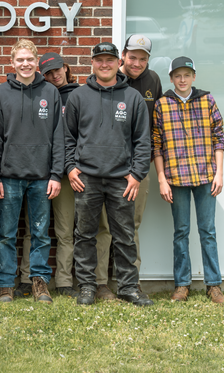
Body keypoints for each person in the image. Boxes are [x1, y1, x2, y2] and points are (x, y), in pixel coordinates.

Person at [65, 42, 153, 306]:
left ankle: (128, 287)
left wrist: (137, 174)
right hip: (86, 179)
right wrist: (70, 168)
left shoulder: (132, 97)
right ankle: (87, 287)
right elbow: (67, 137)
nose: (105, 64)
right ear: (92, 63)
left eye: (110, 60)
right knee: (85, 235)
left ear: (119, 62)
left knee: (124, 235)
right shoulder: (78, 96)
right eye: (99, 60)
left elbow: (142, 140)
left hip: (121, 179)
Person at [0, 40, 64, 304]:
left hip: (42, 176)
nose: (25, 64)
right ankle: (6, 283)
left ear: (36, 61)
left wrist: (56, 175)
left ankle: (39, 282)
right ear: (12, 63)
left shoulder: (50, 93)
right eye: (20, 60)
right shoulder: (1, 93)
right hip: (9, 176)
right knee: (6, 233)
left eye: (29, 59)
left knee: (41, 232)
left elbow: (58, 136)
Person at [153, 56, 224, 305]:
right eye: (177, 75)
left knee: (208, 231)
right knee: (181, 232)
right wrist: (162, 179)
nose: (182, 80)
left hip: (206, 176)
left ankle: (214, 285)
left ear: (194, 76)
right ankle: (182, 284)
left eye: (187, 75)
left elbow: (219, 137)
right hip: (176, 177)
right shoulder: (162, 104)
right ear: (171, 78)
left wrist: (219, 173)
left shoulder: (207, 100)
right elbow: (157, 146)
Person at [94, 34, 163, 301]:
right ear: (122, 55)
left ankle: (130, 282)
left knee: (130, 226)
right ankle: (101, 283)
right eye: (132, 57)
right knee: (104, 228)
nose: (137, 63)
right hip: (107, 166)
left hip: (138, 168)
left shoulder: (152, 81)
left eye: (143, 59)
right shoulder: (111, 78)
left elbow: (153, 127)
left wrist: (143, 169)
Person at [14, 52, 81, 298]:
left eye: (57, 70)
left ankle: (64, 281)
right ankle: (26, 278)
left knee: (65, 230)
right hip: (42, 172)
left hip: (67, 174)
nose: (55, 76)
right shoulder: (41, 93)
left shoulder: (79, 94)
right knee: (34, 228)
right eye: (49, 73)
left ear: (66, 68)